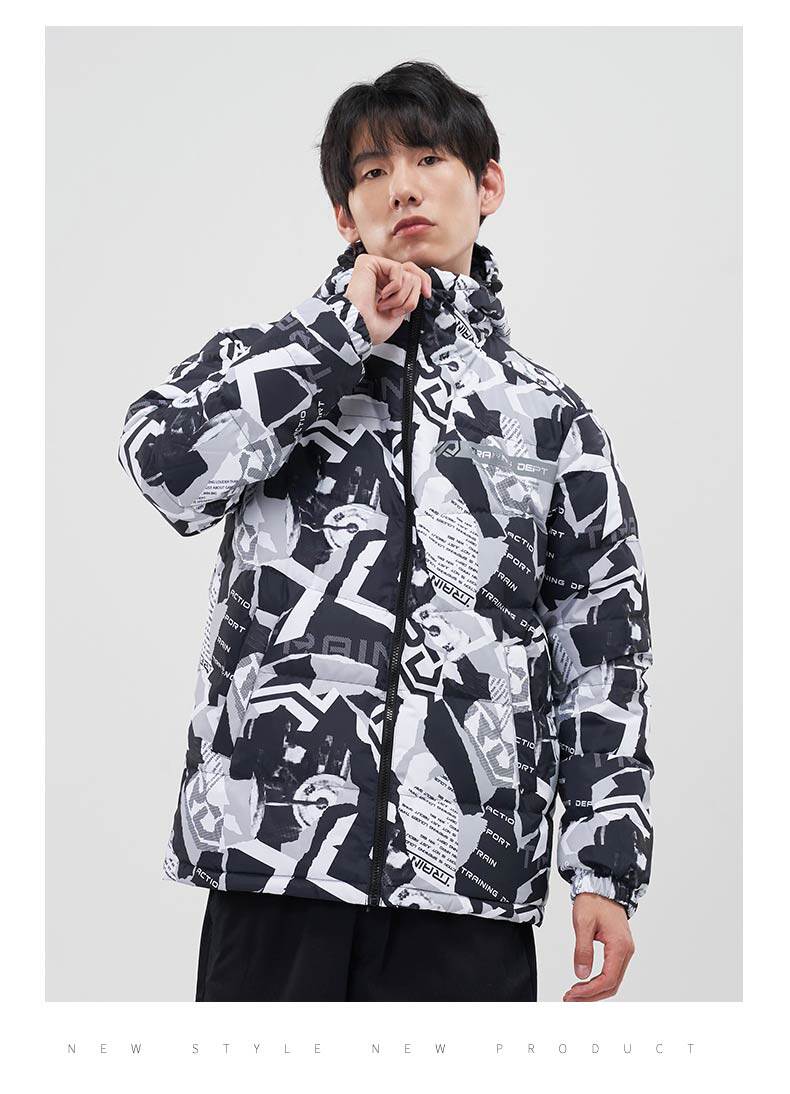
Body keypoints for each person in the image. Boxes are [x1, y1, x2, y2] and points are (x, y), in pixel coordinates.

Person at [118, 60, 654, 1003]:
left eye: (430, 158)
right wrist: (338, 338)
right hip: (275, 867)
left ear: (488, 185)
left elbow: (602, 651)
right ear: (344, 214)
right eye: (372, 171)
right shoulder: (268, 362)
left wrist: (603, 867)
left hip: (467, 881)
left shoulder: (551, 423)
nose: (402, 186)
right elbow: (166, 469)